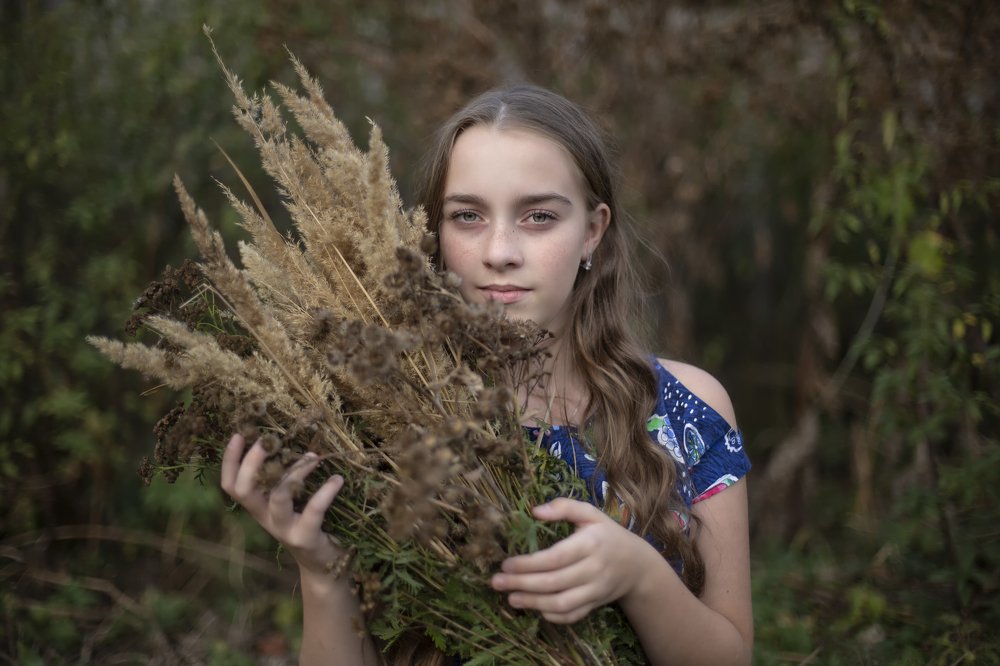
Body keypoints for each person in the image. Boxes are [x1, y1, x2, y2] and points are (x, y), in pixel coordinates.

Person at [221, 85, 753, 665]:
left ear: (593, 232)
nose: (499, 251)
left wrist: (639, 575)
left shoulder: (686, 410)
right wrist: (321, 572)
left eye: (539, 216)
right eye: (468, 216)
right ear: (434, 235)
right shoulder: (379, 427)